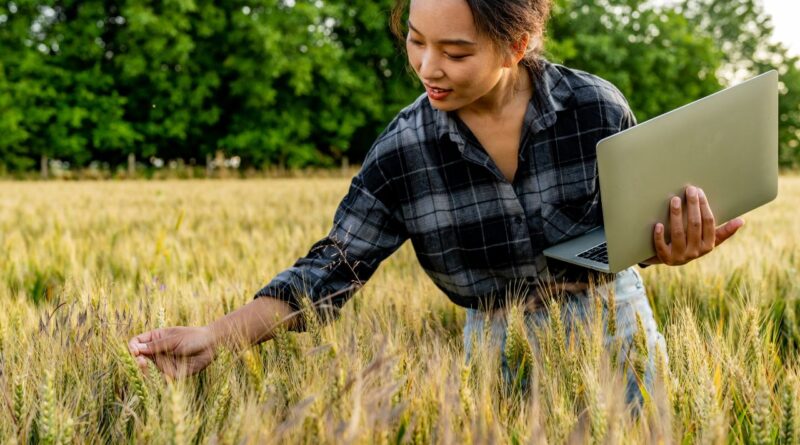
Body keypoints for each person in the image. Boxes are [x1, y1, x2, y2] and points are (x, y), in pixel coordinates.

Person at [128, 0, 744, 405]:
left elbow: (625, 232)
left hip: (615, 327)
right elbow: (334, 267)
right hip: (496, 349)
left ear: (518, 43)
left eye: (455, 53)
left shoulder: (596, 108)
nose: (428, 67)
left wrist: (668, 248)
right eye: (416, 41)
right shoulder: (402, 150)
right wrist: (216, 336)